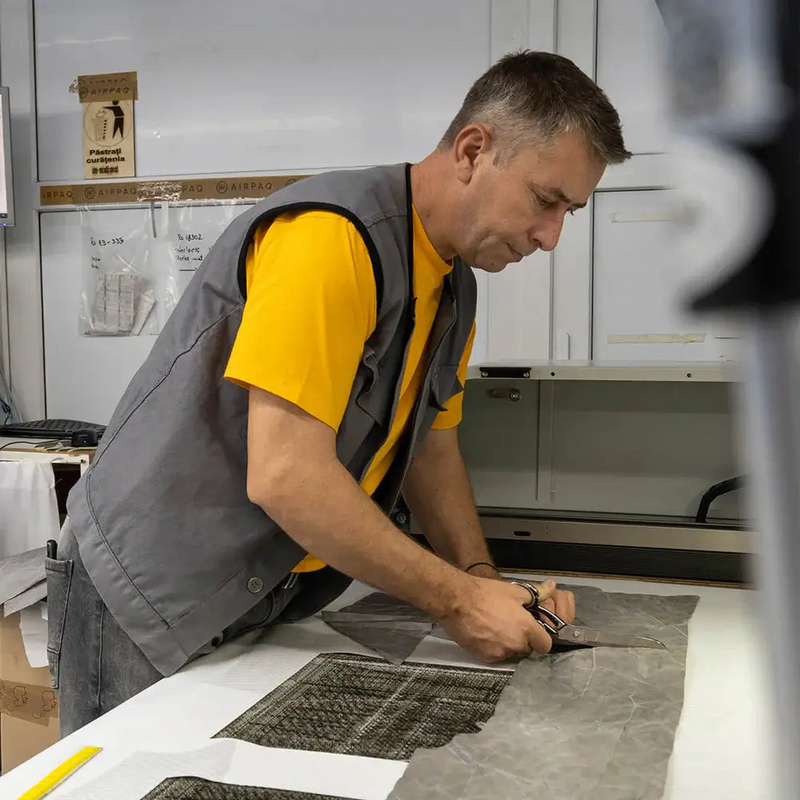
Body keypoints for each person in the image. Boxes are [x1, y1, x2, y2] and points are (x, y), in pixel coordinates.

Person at [47, 50, 631, 736]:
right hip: (147, 589)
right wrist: (457, 600)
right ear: (474, 149)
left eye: (571, 211)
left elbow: (429, 450)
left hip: (254, 596)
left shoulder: (453, 287)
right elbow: (286, 474)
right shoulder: (333, 237)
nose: (552, 236)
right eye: (545, 200)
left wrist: (485, 579)